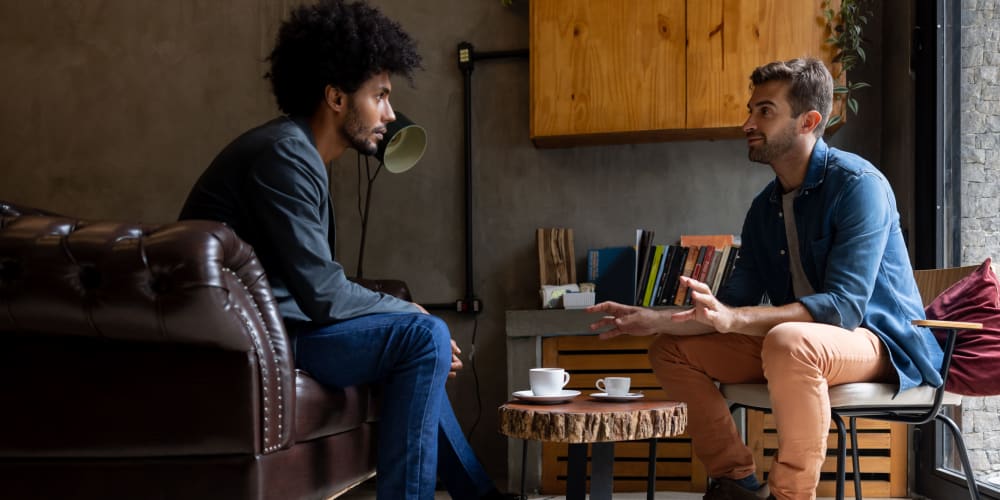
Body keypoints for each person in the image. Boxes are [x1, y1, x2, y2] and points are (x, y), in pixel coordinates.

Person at [179, 1, 511, 499]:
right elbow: (324, 295)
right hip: (257, 339)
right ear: (336, 97)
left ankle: (478, 495)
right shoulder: (284, 154)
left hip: (278, 328)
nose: (390, 114)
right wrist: (411, 312)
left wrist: (412, 319)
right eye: (379, 96)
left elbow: (316, 288)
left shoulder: (296, 153)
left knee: (423, 338)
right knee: (423, 336)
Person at [587, 58, 943, 500]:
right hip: (799, 347)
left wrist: (736, 321)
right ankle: (736, 479)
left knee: (788, 341)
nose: (747, 123)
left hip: (878, 342)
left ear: (809, 121)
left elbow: (844, 309)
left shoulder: (859, 185)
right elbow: (731, 307)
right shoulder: (764, 207)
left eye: (765, 111)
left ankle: (791, 495)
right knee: (671, 351)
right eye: (751, 109)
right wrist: (654, 320)